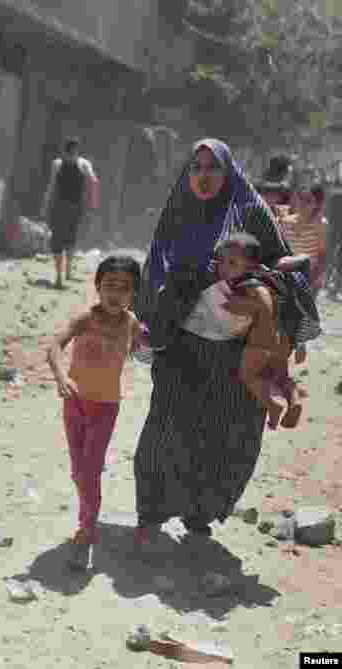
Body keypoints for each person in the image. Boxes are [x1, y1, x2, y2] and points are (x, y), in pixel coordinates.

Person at [132, 139, 320, 550]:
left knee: (229, 433)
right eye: (196, 167)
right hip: (183, 342)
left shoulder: (251, 210)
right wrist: (147, 318)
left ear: (228, 171)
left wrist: (287, 305)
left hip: (235, 349)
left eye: (212, 167)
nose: (203, 176)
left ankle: (200, 513)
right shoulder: (178, 209)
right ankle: (151, 510)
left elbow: (280, 260)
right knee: (167, 424)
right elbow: (156, 266)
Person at [46, 255, 144, 569]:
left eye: (124, 288)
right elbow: (54, 346)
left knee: (90, 470)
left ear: (134, 294)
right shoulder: (85, 318)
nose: (116, 293)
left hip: (106, 407)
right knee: (78, 470)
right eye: (110, 285)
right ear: (98, 286)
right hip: (75, 402)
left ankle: (87, 527)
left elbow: (143, 348)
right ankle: (89, 515)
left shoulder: (131, 323)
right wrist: (61, 377)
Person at [214, 233, 303, 430]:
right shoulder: (268, 280)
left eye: (231, 263)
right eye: (221, 261)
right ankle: (294, 400)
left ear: (249, 267)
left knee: (249, 377)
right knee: (281, 377)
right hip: (281, 339)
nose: (223, 267)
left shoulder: (247, 288)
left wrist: (223, 302)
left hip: (259, 344)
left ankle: (273, 406)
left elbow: (245, 308)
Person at [40, 137, 97, 289]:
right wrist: (91, 204)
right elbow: (93, 182)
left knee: (58, 239)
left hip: (60, 207)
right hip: (75, 208)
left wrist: (45, 205)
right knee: (70, 238)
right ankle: (67, 272)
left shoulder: (58, 164)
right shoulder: (84, 164)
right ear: (77, 150)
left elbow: (51, 187)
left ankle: (60, 276)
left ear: (64, 151)